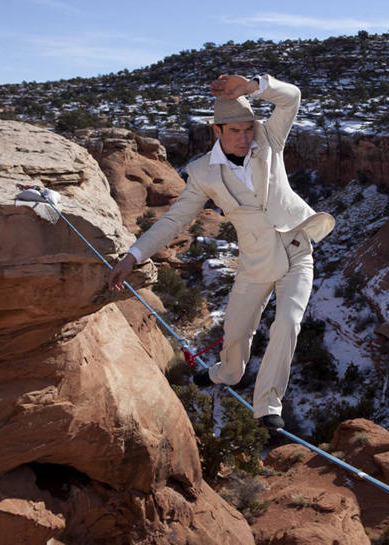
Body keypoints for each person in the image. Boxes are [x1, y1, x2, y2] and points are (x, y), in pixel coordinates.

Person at [109, 74, 334, 430]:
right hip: (255, 261)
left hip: (296, 252)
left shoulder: (270, 139)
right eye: (236, 131)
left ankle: (267, 405)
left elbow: (292, 97)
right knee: (235, 336)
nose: (245, 138)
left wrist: (254, 86)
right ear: (217, 131)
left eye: (249, 129)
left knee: (287, 324)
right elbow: (175, 221)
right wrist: (133, 255)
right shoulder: (202, 173)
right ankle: (225, 373)